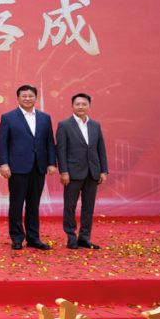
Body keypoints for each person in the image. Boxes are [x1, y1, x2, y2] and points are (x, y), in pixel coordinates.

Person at [0, 84, 57, 251]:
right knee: (16, 204)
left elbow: (49, 142)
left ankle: (33, 238)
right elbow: (3, 143)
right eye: (24, 96)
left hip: (38, 167)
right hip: (17, 167)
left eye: (30, 96)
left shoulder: (45, 118)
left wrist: (52, 163)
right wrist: (3, 163)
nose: (27, 99)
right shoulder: (8, 117)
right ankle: (17, 238)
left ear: (35, 98)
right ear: (18, 98)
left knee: (34, 205)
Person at [56, 93, 108, 250]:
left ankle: (84, 237)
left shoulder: (95, 125)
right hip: (72, 173)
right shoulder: (64, 125)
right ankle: (71, 236)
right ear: (72, 106)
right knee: (70, 206)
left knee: (88, 206)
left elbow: (101, 149)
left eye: (84, 104)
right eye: (77, 104)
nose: (80, 107)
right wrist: (63, 171)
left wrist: (103, 170)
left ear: (89, 106)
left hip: (93, 172)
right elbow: (61, 151)